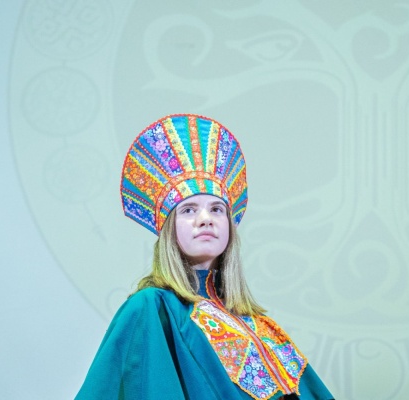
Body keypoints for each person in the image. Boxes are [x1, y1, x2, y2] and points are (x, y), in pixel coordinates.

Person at [76, 114, 333, 399]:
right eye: (188, 210)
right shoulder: (152, 307)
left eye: (216, 209)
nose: (205, 219)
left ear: (229, 226)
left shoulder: (258, 323)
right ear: (169, 229)